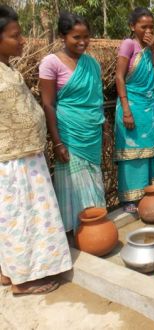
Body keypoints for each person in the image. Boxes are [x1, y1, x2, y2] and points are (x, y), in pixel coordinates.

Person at [0, 5, 72, 295]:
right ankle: (24, 279)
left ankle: (8, 271)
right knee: (21, 219)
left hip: (25, 156)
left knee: (17, 217)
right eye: (15, 35)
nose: (22, 40)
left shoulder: (7, 67)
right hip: (12, 161)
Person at [39, 12, 106, 234]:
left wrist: (102, 128)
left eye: (86, 36)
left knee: (93, 181)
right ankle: (74, 233)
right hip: (69, 134)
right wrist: (57, 142)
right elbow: (48, 104)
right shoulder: (51, 63)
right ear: (62, 36)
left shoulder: (92, 64)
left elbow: (96, 100)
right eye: (76, 37)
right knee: (73, 186)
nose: (82, 42)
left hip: (92, 132)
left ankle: (95, 231)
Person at [115, 7, 154, 213]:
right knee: (132, 154)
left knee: (149, 152)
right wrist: (126, 109)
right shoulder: (128, 44)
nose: (148, 30)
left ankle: (148, 194)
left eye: (151, 27)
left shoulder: (151, 48)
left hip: (150, 108)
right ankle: (130, 199)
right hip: (132, 106)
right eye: (143, 26)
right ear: (132, 27)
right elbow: (119, 77)